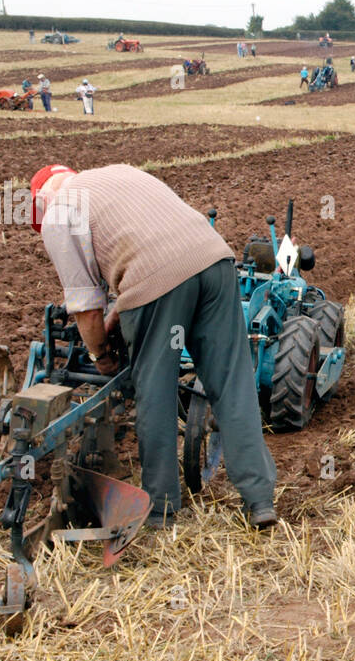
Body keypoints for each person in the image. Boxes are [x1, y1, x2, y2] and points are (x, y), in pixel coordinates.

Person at [30, 163, 279, 530]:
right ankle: (259, 501)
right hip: (214, 261)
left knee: (155, 392)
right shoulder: (119, 173)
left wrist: (101, 356)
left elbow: (85, 305)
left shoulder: (57, 212)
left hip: (157, 281)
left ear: (41, 200)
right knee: (232, 383)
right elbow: (155, 246)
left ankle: (161, 511)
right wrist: (124, 312)